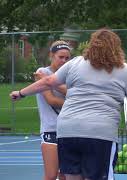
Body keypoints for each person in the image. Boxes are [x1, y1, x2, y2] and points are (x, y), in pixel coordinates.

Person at [10, 28, 127, 180]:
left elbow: (48, 81)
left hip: (68, 131)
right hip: (100, 132)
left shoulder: (76, 63)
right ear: (116, 47)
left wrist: (21, 93)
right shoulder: (124, 69)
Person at [34, 40, 71, 180]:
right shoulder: (42, 72)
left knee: (65, 175)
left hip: (69, 130)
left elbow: (73, 94)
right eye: (60, 57)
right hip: (51, 130)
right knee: (50, 175)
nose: (64, 60)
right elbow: (52, 100)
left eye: (67, 58)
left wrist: (49, 82)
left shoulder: (70, 75)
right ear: (51, 55)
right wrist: (73, 102)